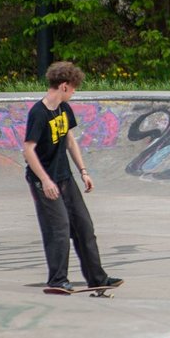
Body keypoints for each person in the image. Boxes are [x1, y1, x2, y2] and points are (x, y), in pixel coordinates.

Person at [23, 61, 122, 292]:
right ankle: (57, 280)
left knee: (84, 226)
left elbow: (69, 139)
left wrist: (83, 171)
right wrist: (45, 180)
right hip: (43, 180)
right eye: (74, 88)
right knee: (59, 228)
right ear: (64, 86)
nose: (75, 92)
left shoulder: (64, 110)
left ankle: (97, 277)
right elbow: (28, 149)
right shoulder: (38, 113)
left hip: (65, 177)